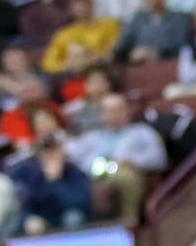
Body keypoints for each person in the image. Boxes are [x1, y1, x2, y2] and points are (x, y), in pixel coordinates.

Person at [66, 94, 168, 223]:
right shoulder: (92, 137)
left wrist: (133, 161)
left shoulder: (142, 132)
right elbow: (75, 159)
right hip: (93, 176)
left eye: (119, 110)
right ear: (102, 114)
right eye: (109, 111)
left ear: (127, 111)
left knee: (124, 177)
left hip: (125, 172)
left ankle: (128, 222)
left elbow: (158, 158)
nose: (114, 115)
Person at [42, 0, 120, 74]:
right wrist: (66, 65)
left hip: (101, 73)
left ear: (94, 2)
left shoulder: (109, 25)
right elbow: (48, 64)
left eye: (86, 1)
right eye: (77, 1)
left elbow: (115, 52)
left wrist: (93, 58)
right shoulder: (64, 33)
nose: (81, 4)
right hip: (73, 77)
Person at [113, 0, 190, 64]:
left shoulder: (178, 18)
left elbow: (181, 47)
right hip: (139, 66)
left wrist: (155, 53)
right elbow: (123, 44)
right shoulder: (138, 18)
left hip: (166, 65)